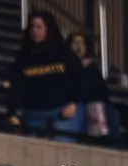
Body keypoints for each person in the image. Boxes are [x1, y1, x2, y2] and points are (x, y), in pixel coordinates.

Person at [9, 11, 82, 142]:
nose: (35, 31)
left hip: (62, 111)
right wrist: (13, 112)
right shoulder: (24, 56)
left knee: (63, 147)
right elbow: (16, 85)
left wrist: (74, 102)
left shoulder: (63, 52)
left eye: (39, 27)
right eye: (32, 27)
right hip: (34, 113)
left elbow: (79, 78)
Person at [69, 32, 110, 139]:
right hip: (75, 104)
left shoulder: (91, 68)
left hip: (92, 105)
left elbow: (99, 90)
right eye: (75, 43)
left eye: (81, 43)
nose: (78, 47)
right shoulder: (67, 66)